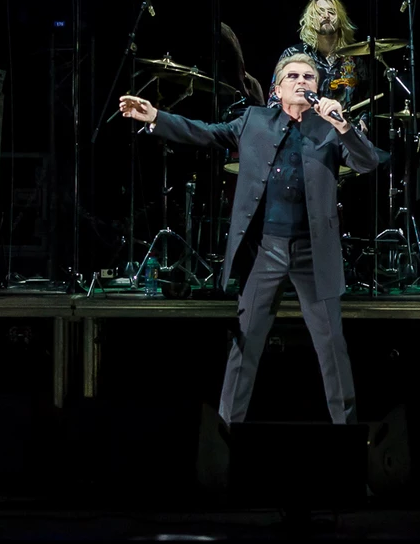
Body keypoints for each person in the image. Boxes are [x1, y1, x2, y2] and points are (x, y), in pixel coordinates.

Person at [119, 51, 377, 424]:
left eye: (309, 77)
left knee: (332, 346)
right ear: (277, 90)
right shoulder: (255, 121)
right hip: (265, 250)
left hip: (313, 252)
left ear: (319, 89)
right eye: (292, 76)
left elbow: (367, 162)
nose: (301, 82)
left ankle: (346, 434)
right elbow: (206, 132)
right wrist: (157, 117)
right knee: (246, 342)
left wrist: (343, 126)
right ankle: (227, 433)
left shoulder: (329, 130)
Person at [276, 0, 370, 122]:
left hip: (342, 128)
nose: (326, 16)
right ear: (310, 20)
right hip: (303, 129)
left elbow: (366, 103)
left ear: (341, 19)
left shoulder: (355, 59)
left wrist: (363, 123)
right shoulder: (293, 54)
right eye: (320, 13)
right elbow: (275, 99)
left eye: (331, 12)